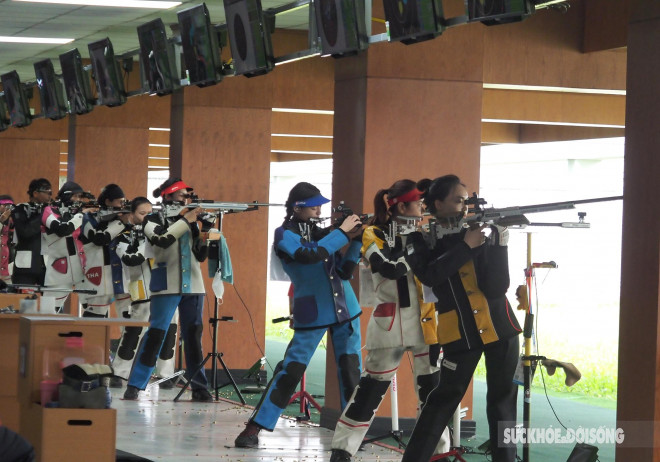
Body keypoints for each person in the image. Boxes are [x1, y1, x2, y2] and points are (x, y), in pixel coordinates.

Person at [400, 175, 522, 462]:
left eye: (467, 201)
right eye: (458, 200)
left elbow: (496, 287)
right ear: (438, 203)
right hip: (460, 333)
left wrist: (500, 243)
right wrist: (466, 246)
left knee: (503, 403)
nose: (465, 206)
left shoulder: (478, 232)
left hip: (501, 328)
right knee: (442, 401)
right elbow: (430, 275)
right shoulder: (417, 239)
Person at [234, 182, 364, 449]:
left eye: (319, 205)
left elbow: (345, 272)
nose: (319, 209)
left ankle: (354, 432)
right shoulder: (284, 234)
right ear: (297, 207)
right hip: (312, 311)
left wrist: (357, 240)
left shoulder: (324, 233)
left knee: (352, 372)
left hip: (346, 309)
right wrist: (342, 232)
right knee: (290, 371)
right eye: (313, 205)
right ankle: (254, 427)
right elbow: (309, 255)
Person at [330, 180, 450, 462]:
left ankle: (439, 451)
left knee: (432, 393)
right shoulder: (374, 232)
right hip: (391, 322)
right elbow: (388, 268)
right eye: (417, 202)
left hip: (427, 322)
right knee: (370, 392)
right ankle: (342, 449)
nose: (422, 207)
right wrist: (416, 251)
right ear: (402, 206)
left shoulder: (424, 233)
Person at [124, 178, 212, 402]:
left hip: (193, 284)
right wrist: (186, 220)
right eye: (182, 195)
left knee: (193, 337)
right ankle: (135, 384)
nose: (186, 199)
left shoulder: (188, 221)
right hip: (166, 283)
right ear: (168, 196)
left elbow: (200, 256)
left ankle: (200, 387)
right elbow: (162, 239)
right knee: (156, 335)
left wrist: (207, 230)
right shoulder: (152, 219)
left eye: (187, 196)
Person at [110, 197, 179, 389]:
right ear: (131, 214)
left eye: (150, 213)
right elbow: (130, 258)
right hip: (139, 288)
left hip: (166, 286)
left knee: (170, 330)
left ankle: (166, 374)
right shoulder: (125, 234)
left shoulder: (160, 231)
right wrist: (146, 240)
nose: (147, 217)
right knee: (134, 332)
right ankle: (120, 372)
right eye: (142, 214)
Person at [79, 184, 129, 318]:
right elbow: (98, 238)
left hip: (122, 273)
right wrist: (121, 223)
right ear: (108, 202)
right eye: (120, 201)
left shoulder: (123, 219)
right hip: (99, 273)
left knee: (128, 319)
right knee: (95, 318)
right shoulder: (89, 219)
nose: (122, 205)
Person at [40, 181, 89, 312]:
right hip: (59, 269)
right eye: (75, 196)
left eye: (80, 197)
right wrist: (81, 215)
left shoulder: (78, 214)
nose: (78, 200)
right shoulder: (48, 210)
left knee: (92, 308)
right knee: (49, 311)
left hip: (82, 267)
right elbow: (62, 229)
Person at [11, 179, 52, 286]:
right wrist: (43, 214)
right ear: (35, 193)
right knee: (24, 301)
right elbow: (24, 232)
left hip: (47, 265)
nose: (50, 196)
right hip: (25, 267)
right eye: (47, 192)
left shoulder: (51, 210)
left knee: (49, 301)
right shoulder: (20, 208)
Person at [0, 195, 15, 284]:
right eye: (4, 205)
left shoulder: (13, 221)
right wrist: (1, 221)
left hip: (9, 270)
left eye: (9, 206)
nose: (7, 208)